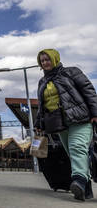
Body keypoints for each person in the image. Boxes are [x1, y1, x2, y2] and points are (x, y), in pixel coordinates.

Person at [35, 49, 97, 201]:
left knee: (77, 148)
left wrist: (95, 113)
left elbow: (88, 91)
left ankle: (79, 181)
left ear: (55, 58)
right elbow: (42, 105)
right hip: (58, 123)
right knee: (73, 154)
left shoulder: (71, 72)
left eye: (47, 59)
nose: (45, 63)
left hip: (80, 118)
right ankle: (86, 190)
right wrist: (39, 123)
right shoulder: (42, 82)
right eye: (42, 61)